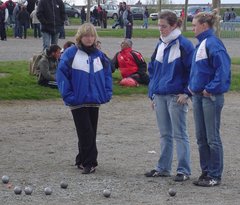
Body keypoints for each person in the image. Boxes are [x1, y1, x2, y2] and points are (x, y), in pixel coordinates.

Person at [56, 23, 112, 174]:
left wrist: (106, 93)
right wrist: (69, 96)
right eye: (86, 35)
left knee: (90, 131)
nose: (89, 38)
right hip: (77, 101)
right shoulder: (70, 54)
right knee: (85, 131)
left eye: (92, 35)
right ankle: (90, 162)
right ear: (80, 37)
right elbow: (62, 76)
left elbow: (107, 75)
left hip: (94, 100)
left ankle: (81, 158)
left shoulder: (100, 55)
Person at [145, 11, 194, 182]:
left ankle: (184, 170)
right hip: (160, 95)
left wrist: (187, 92)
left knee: (180, 134)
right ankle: (163, 168)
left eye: (164, 26)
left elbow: (192, 71)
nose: (160, 29)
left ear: (174, 25)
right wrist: (152, 93)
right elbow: (153, 70)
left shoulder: (184, 45)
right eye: (159, 26)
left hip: (176, 96)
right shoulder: (161, 44)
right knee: (165, 134)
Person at [189, 10, 231, 187]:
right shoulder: (202, 44)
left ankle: (215, 175)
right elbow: (199, 71)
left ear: (204, 26)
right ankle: (206, 171)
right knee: (201, 137)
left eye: (194, 25)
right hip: (198, 96)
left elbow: (223, 70)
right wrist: (192, 87)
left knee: (212, 137)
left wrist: (210, 89)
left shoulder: (213, 44)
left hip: (209, 97)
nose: (192, 29)